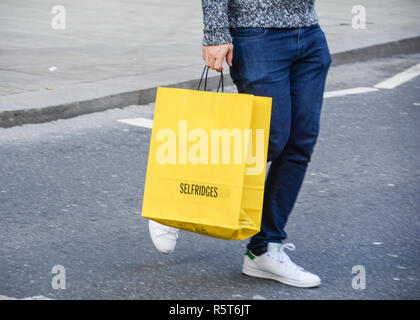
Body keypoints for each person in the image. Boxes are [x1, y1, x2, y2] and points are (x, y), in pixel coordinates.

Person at [149, 0, 332, 288]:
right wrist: (216, 33)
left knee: (300, 142)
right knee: (270, 140)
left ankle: (265, 250)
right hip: (257, 32)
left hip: (308, 31)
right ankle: (173, 203)